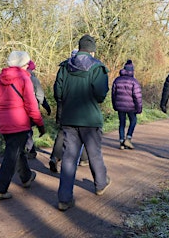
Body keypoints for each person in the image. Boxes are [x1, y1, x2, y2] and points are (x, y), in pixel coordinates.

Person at [54, 34, 111, 211]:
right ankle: (100, 184)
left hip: (69, 118)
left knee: (69, 158)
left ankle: (64, 198)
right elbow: (101, 95)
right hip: (90, 119)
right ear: (92, 50)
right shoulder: (97, 68)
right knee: (94, 153)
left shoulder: (65, 66)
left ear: (79, 48)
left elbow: (58, 93)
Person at [0, 50, 46, 200]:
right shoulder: (24, 79)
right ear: (22, 65)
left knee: (16, 150)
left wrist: (4, 110)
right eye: (27, 64)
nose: (28, 67)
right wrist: (40, 124)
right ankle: (0, 189)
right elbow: (32, 105)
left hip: (3, 123)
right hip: (19, 123)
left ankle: (26, 177)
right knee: (11, 155)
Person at [49, 49, 89, 173]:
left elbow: (57, 87)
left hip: (64, 104)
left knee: (62, 131)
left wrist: (60, 100)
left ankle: (55, 157)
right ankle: (83, 158)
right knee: (83, 130)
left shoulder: (63, 68)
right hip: (79, 106)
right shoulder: (84, 68)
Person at [111, 59, 142, 150]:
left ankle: (121, 142)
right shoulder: (134, 81)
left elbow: (113, 94)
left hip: (120, 106)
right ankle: (128, 138)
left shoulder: (117, 80)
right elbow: (137, 96)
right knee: (133, 121)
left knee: (122, 123)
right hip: (131, 107)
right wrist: (139, 108)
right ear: (132, 71)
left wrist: (114, 105)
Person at [25, 60, 51, 159]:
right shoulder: (33, 79)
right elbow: (40, 96)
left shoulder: (12, 78)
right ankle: (30, 151)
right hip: (30, 108)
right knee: (28, 130)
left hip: (14, 111)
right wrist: (45, 106)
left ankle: (26, 150)